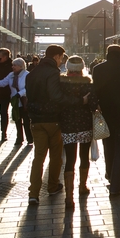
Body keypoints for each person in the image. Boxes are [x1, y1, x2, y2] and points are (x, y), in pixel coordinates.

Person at [26, 45, 88, 206]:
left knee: (38, 157)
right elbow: (56, 96)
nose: (61, 61)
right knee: (55, 156)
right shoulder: (53, 73)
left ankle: (33, 193)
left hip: (36, 120)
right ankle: (53, 186)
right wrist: (79, 101)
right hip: (52, 119)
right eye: (61, 58)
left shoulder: (32, 73)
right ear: (56, 57)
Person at [92, 44, 120, 196]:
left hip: (106, 114)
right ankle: (116, 186)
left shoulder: (98, 69)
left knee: (108, 146)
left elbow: (94, 91)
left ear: (107, 53)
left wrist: (97, 106)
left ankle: (110, 175)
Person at [59, 56, 97, 209]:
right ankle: (82, 186)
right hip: (84, 124)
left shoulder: (61, 83)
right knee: (84, 156)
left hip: (67, 124)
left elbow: (58, 101)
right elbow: (93, 105)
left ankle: (69, 196)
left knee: (70, 158)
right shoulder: (88, 83)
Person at [0, 57, 32, 145]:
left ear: (21, 66)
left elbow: (28, 88)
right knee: (17, 120)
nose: (13, 67)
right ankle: (19, 138)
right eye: (13, 65)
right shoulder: (11, 75)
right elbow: (3, 83)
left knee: (26, 121)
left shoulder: (27, 75)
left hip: (24, 101)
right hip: (15, 102)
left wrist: (20, 94)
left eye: (15, 65)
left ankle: (30, 138)